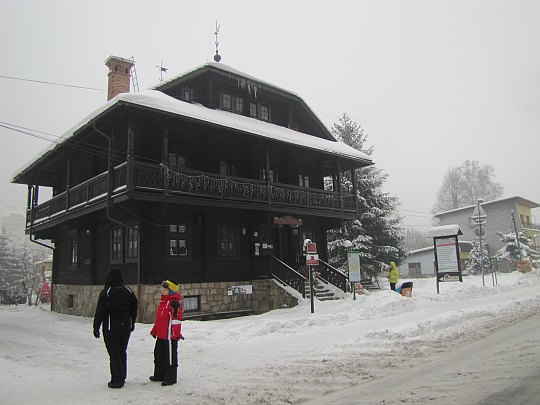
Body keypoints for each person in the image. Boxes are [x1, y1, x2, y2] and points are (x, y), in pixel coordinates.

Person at [93, 268, 138, 388]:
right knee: (122, 351)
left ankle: (117, 380)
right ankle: (122, 375)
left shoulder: (106, 292)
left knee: (114, 353)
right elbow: (134, 307)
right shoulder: (128, 291)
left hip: (111, 326)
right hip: (125, 325)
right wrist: (132, 322)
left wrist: (96, 327)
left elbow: (100, 311)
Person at [149, 279, 184, 386]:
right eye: (162, 289)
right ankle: (159, 374)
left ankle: (170, 378)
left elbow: (176, 320)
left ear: (171, 291)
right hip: (161, 334)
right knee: (158, 354)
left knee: (170, 357)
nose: (162, 291)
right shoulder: (163, 302)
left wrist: (175, 334)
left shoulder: (174, 303)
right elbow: (160, 319)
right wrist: (155, 330)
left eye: (165, 290)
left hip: (170, 336)